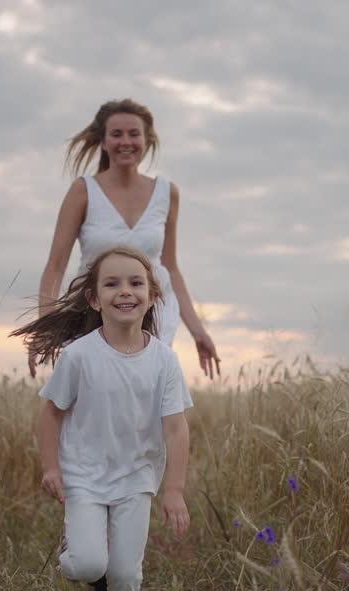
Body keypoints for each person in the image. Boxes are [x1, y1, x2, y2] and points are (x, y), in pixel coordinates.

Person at [10, 245, 192, 591]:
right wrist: (51, 467)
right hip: (84, 477)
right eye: (112, 283)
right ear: (94, 299)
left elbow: (176, 430)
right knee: (90, 565)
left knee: (127, 574)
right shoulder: (79, 355)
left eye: (135, 283)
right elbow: (52, 413)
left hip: (135, 479)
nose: (124, 291)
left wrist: (173, 490)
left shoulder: (164, 361)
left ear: (152, 296)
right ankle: (74, 544)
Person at [31, 98, 220, 380]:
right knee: (94, 395)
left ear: (147, 139)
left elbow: (170, 267)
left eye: (134, 133)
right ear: (103, 141)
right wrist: (45, 327)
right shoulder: (84, 191)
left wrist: (198, 331)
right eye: (116, 134)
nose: (125, 141)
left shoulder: (168, 193)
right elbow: (56, 266)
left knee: (145, 397)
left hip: (152, 311)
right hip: (95, 310)